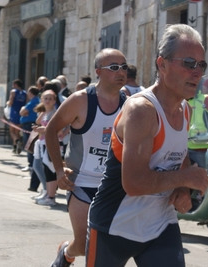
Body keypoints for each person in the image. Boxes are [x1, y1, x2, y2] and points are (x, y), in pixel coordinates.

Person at [85, 24, 208, 267]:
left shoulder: (184, 109)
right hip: (114, 226)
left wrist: (184, 188)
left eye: (201, 65)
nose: (197, 72)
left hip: (160, 225)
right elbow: (134, 183)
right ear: (162, 64)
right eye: (188, 63)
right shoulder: (142, 110)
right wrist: (186, 178)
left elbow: (178, 157)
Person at [45, 48, 128, 267]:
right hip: (81, 181)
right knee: (83, 244)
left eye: (124, 67)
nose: (121, 72)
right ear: (98, 71)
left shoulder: (129, 102)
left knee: (111, 244)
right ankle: (66, 252)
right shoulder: (80, 100)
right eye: (114, 67)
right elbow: (50, 130)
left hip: (113, 185)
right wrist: (60, 170)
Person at [34, 89, 59, 206]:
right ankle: (48, 194)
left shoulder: (55, 113)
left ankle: (51, 196)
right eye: (45, 98)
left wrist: (42, 130)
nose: (48, 101)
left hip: (52, 144)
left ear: (54, 101)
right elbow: (38, 121)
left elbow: (56, 130)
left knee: (51, 170)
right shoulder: (46, 112)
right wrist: (43, 109)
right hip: (44, 143)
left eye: (50, 98)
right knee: (47, 170)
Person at [19, 86, 41, 192]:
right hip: (27, 125)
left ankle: (30, 164)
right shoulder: (33, 101)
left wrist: (24, 112)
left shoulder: (34, 101)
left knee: (30, 147)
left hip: (29, 126)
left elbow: (23, 111)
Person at [7, 79, 27, 154]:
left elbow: (10, 102)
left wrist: (7, 103)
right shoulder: (25, 93)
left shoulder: (13, 92)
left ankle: (18, 141)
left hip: (14, 112)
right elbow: (26, 103)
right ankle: (15, 147)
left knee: (12, 131)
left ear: (16, 85)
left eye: (13, 84)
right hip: (21, 113)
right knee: (17, 131)